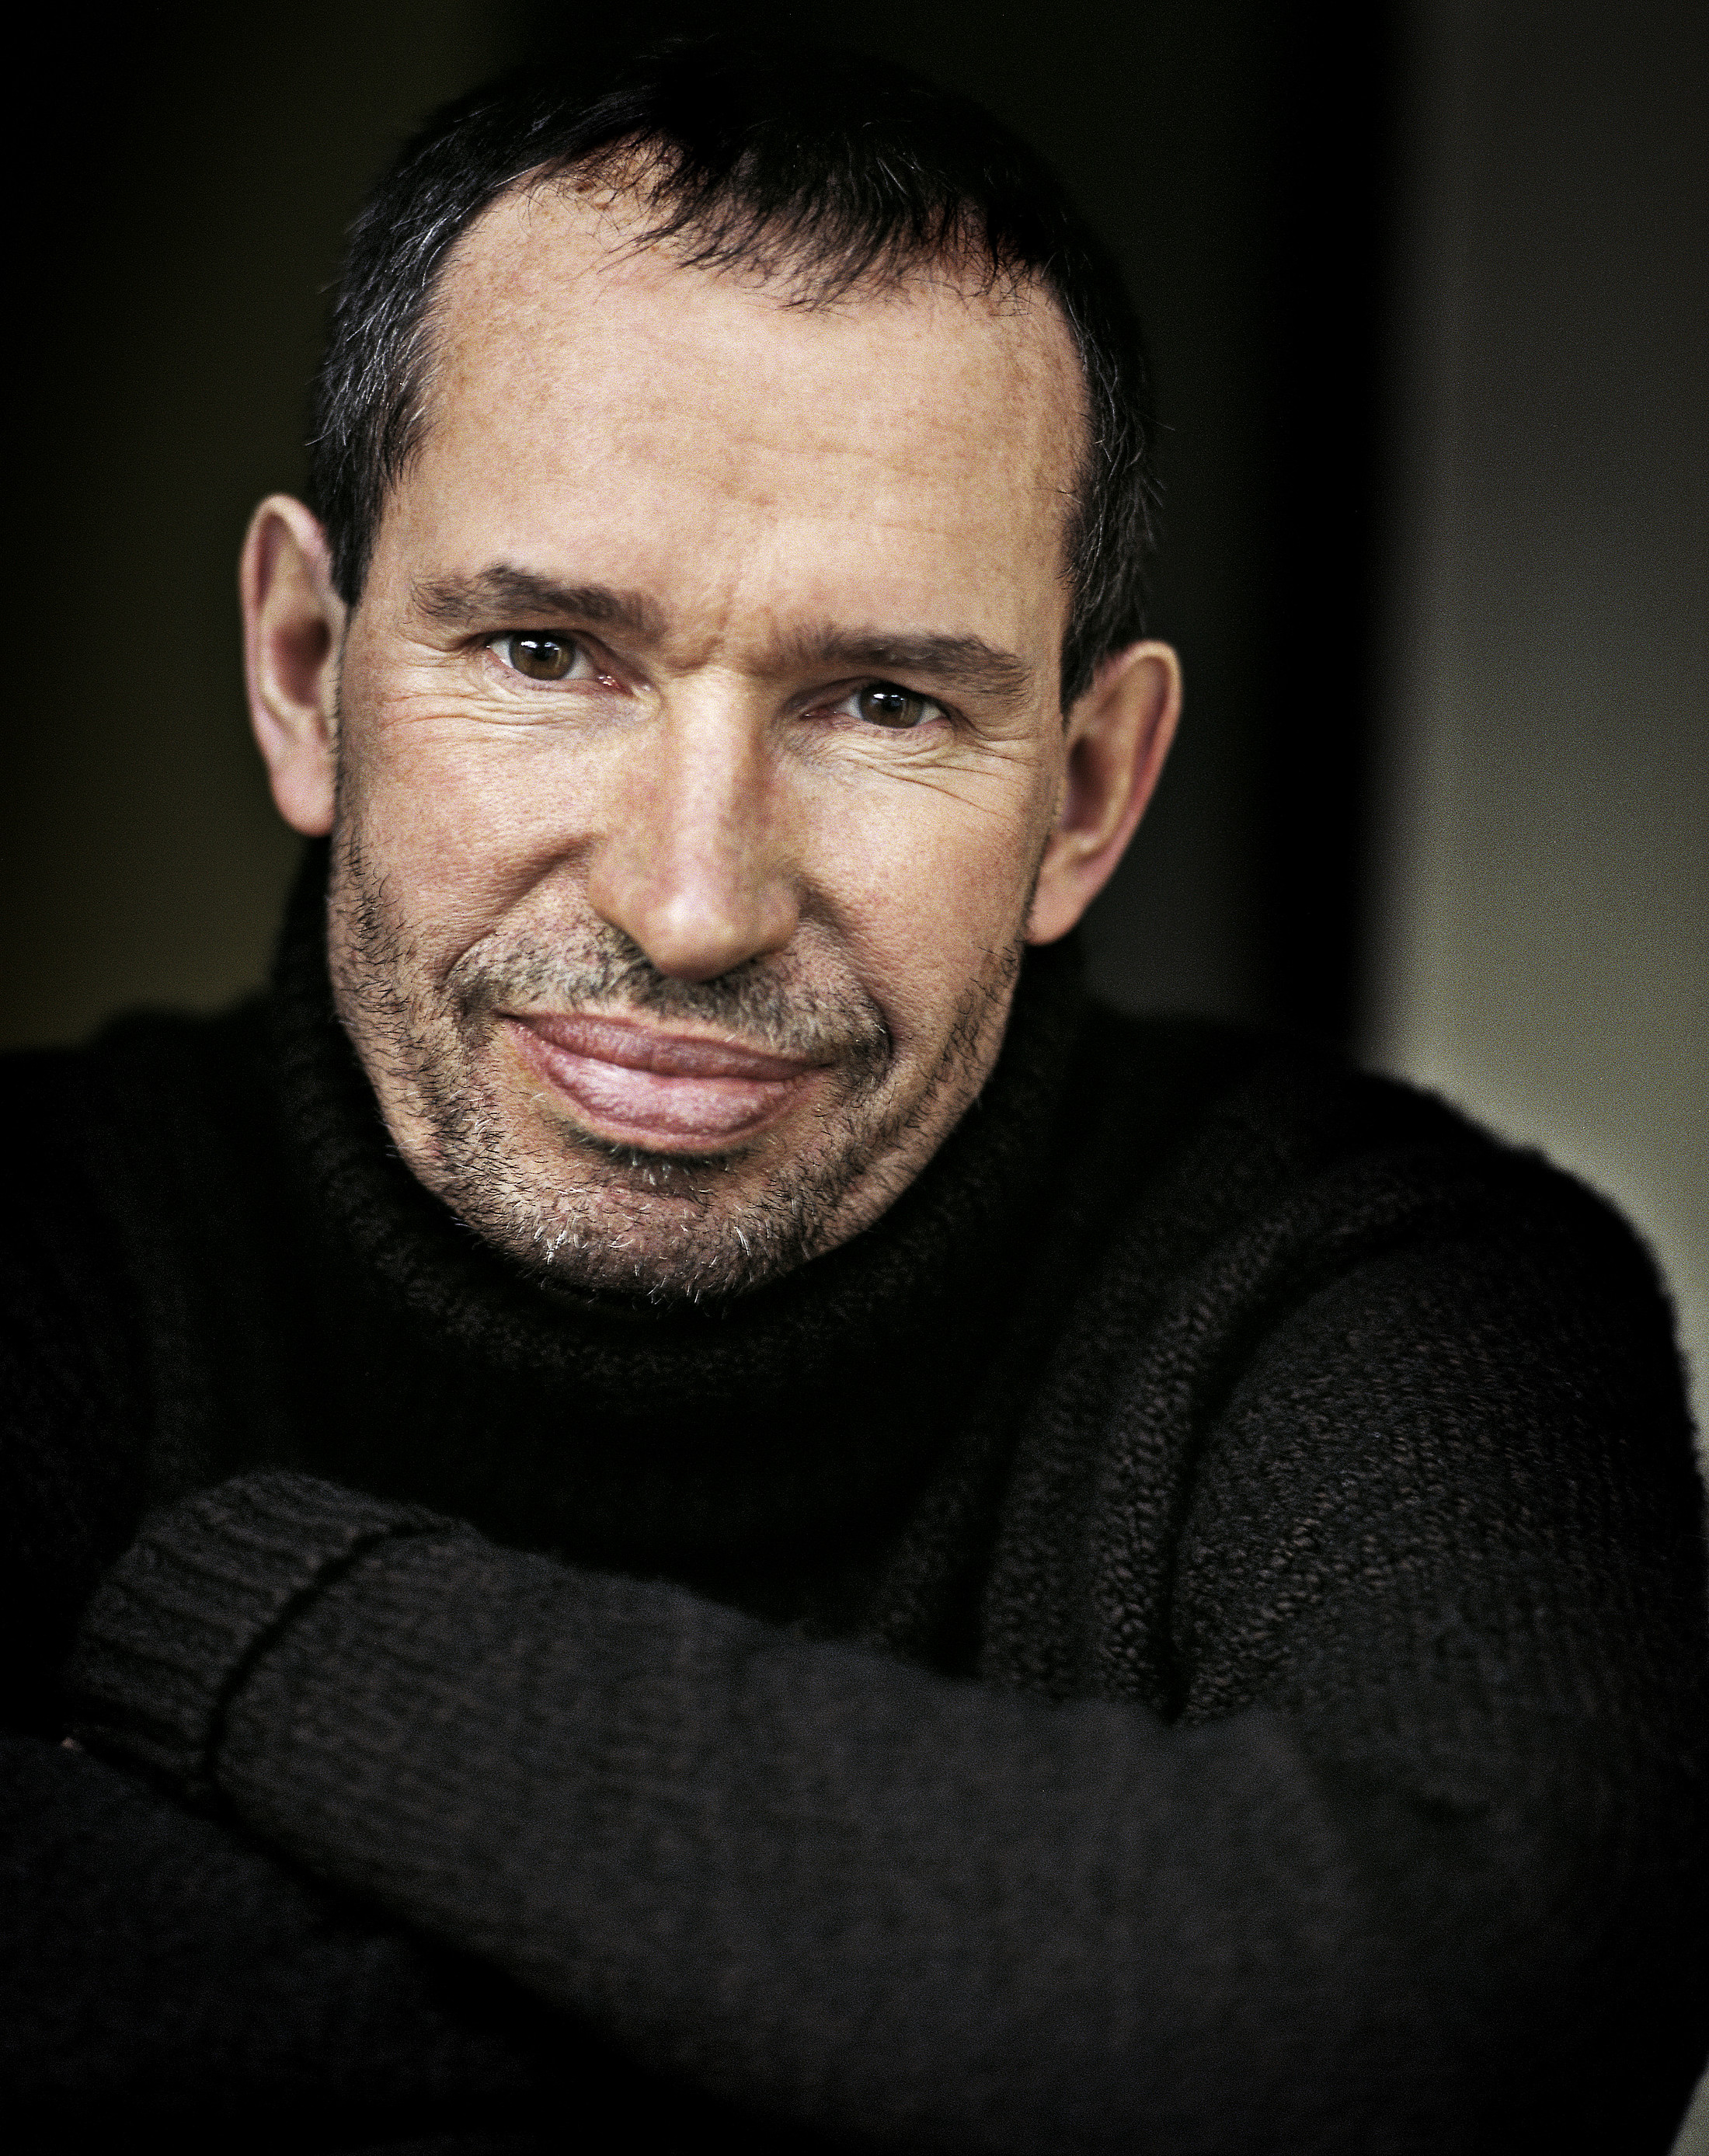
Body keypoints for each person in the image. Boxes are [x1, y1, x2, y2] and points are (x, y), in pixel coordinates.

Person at [3, 34, 1705, 2154]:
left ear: (1088, 795)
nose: (694, 901)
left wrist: (270, 1627)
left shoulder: (1404, 1291)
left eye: (883, 700)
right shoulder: (39, 1247)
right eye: (547, 653)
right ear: (300, 673)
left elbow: (1468, 2036)